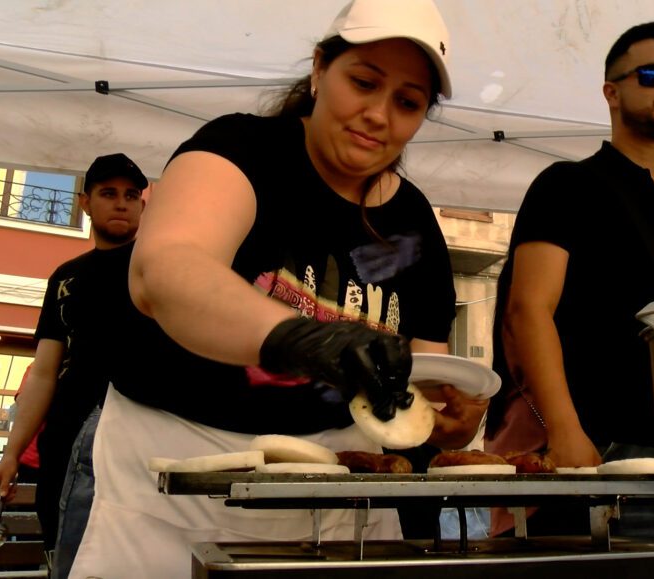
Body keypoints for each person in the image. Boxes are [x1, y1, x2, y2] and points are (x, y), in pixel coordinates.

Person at [68, 1, 487, 576]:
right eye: (363, 83)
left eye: (407, 102)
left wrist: (443, 418)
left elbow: (421, 373)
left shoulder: (413, 222)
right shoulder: (241, 149)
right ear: (319, 69)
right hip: (170, 481)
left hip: (342, 501)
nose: (378, 115)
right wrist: (304, 339)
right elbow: (164, 271)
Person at [486, 22, 654, 537]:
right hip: (589, 452)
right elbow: (528, 310)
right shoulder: (568, 185)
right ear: (612, 92)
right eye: (652, 74)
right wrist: (565, 432)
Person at [0, 152, 147, 571]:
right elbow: (43, 371)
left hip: (136, 436)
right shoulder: (65, 277)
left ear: (143, 206)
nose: (121, 203)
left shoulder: (158, 265)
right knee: (63, 556)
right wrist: (12, 454)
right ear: (85, 203)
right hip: (63, 436)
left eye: (131, 195)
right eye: (108, 193)